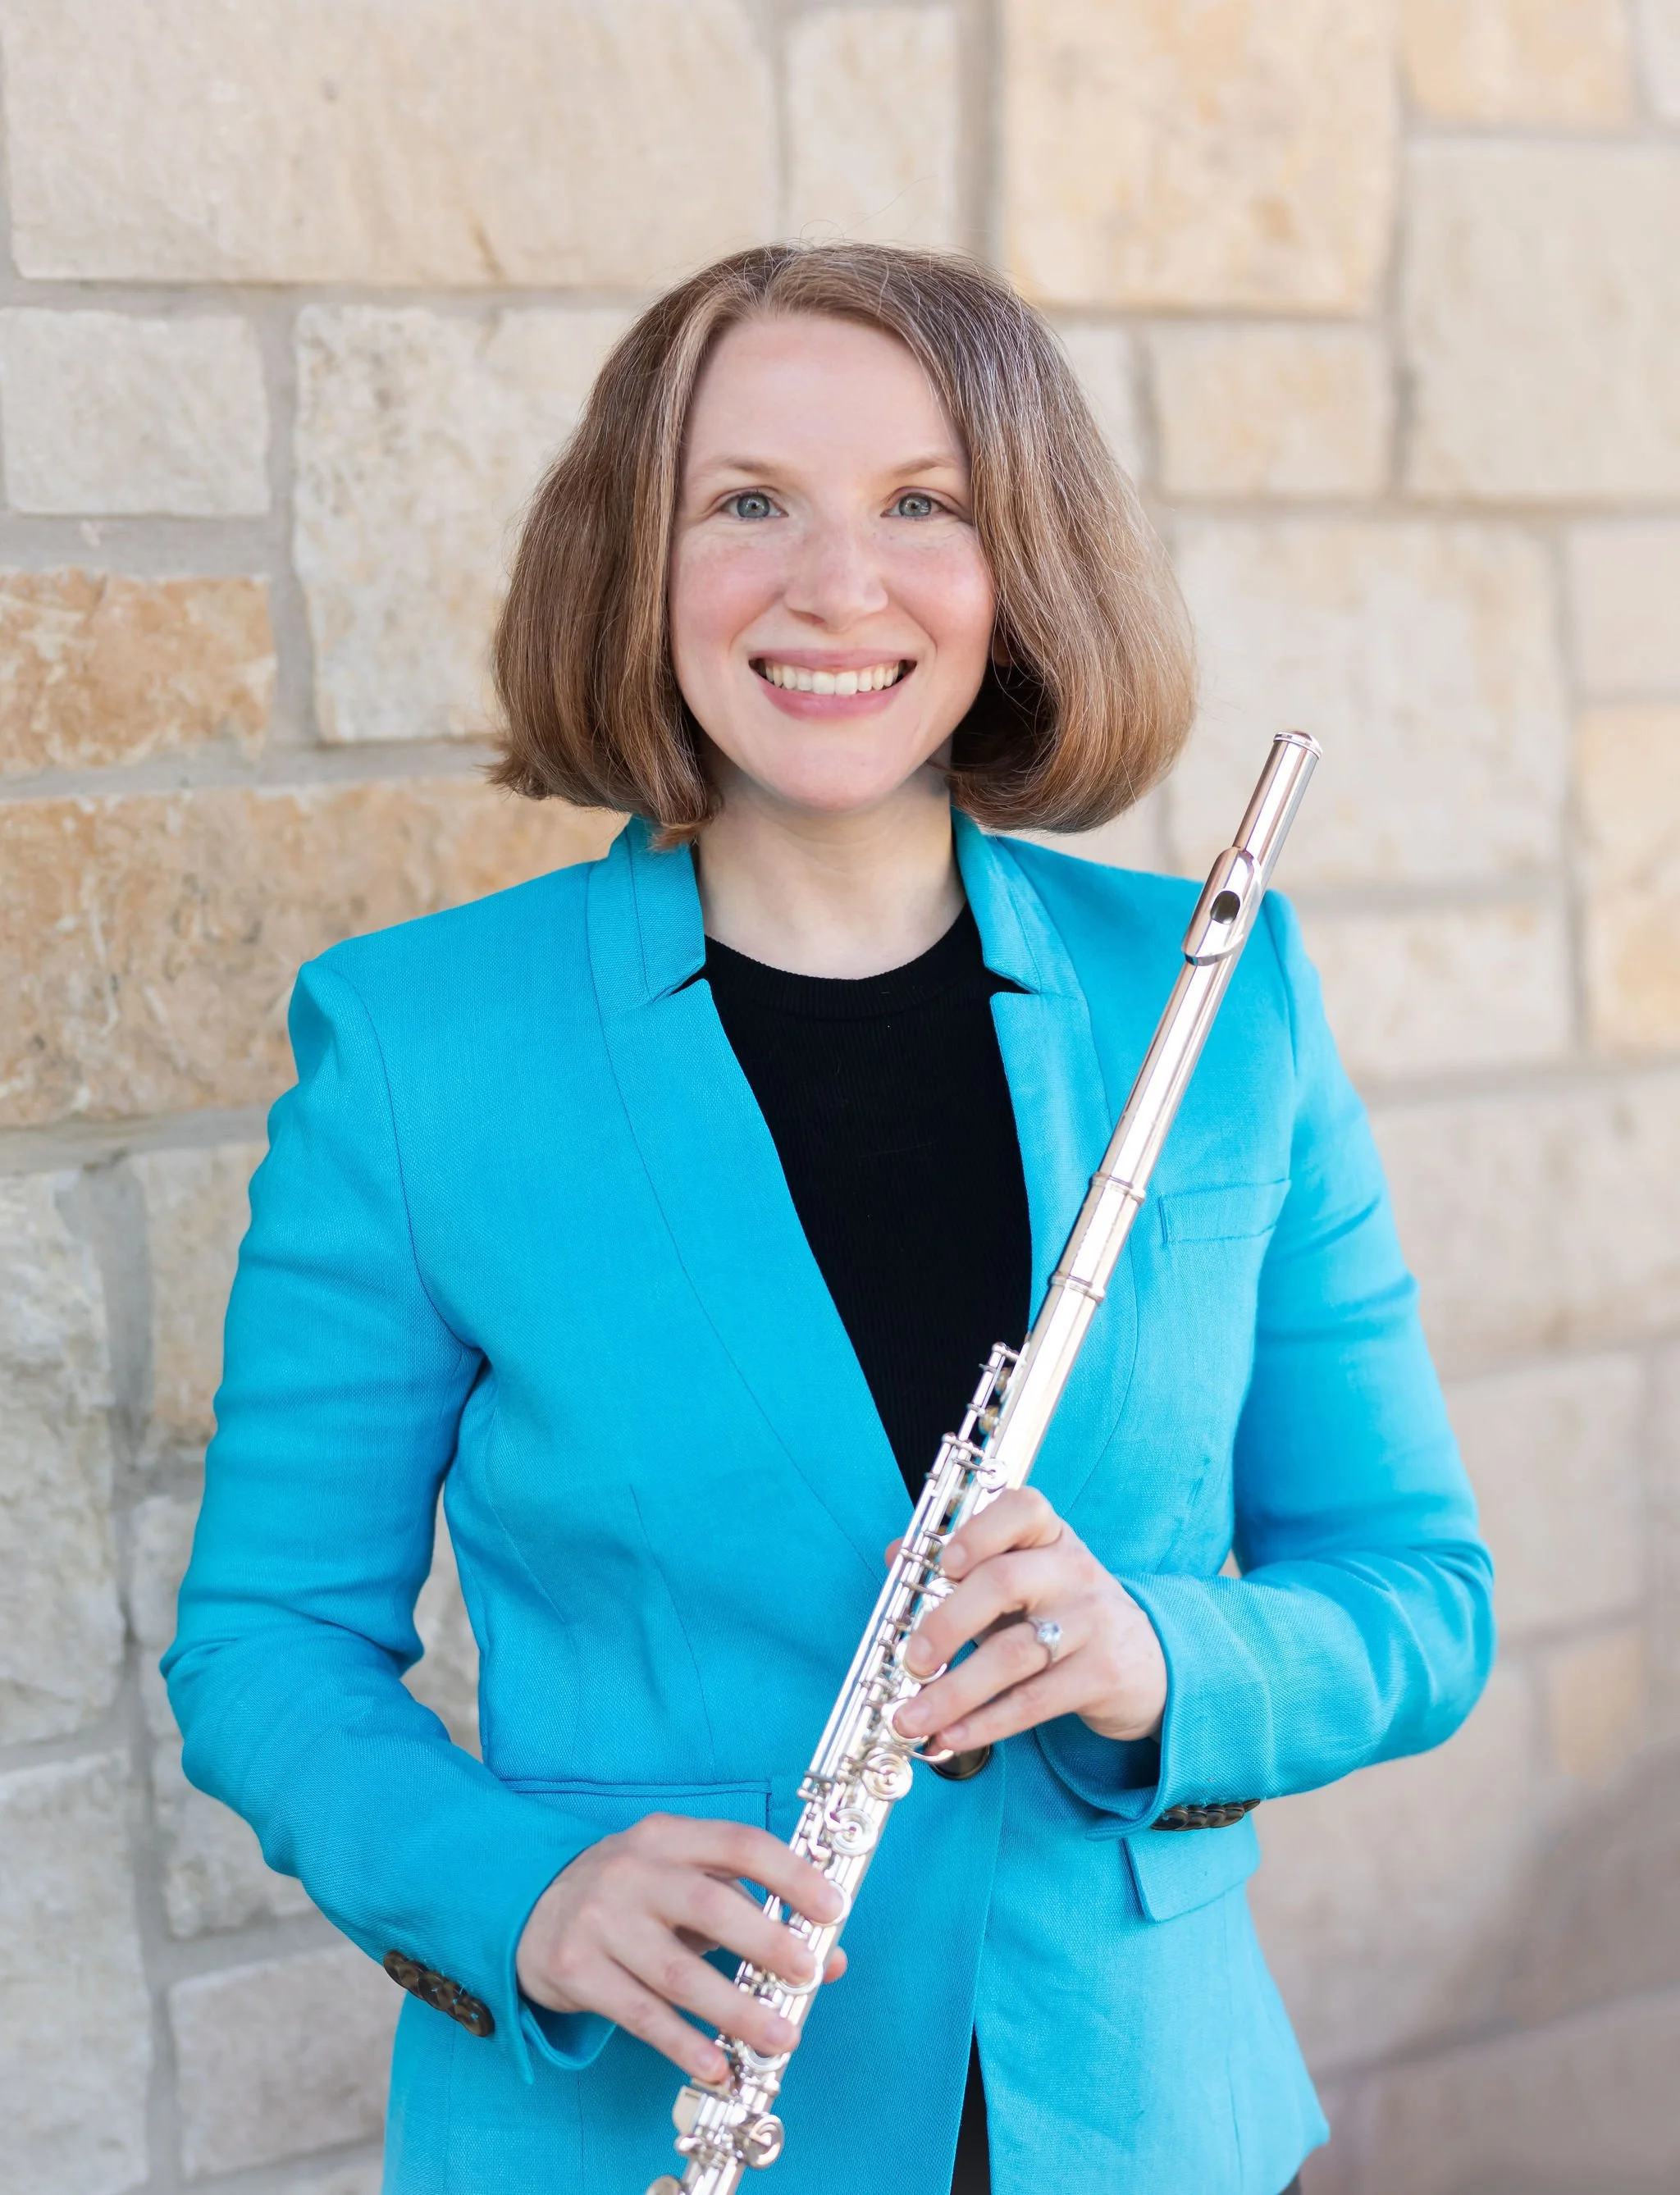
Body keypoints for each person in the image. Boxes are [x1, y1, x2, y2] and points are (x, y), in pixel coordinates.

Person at [166, 244, 1494, 2195]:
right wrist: (519, 1890)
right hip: (641, 2131)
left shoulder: (1217, 1001)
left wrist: (1157, 1662)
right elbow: (266, 1640)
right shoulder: (416, 1046)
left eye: (921, 507)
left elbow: (1414, 1593)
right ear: (640, 552)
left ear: (1017, 564)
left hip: (1140, 2127)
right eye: (749, 504)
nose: (834, 586)